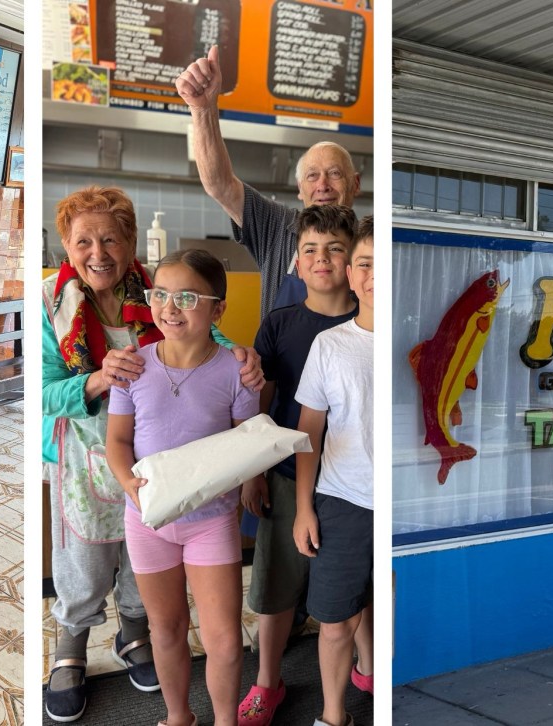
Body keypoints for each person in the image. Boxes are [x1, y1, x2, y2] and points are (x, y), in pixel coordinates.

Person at [42, 186, 263, 723]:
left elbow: (195, 325)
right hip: (87, 454)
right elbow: (42, 392)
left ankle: (134, 637)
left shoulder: (154, 289)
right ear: (65, 245)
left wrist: (237, 350)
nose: (98, 252)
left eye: (110, 240)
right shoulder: (51, 301)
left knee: (146, 591)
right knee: (86, 564)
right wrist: (94, 380)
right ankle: (69, 650)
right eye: (83, 241)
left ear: (131, 242)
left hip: (178, 480)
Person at [107, 249, 258, 726]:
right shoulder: (133, 366)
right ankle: (178, 717)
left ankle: (225, 721)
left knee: (225, 640)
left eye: (187, 297)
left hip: (210, 522)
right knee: (166, 629)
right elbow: (117, 439)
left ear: (218, 309)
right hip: (147, 520)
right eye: (161, 294)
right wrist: (128, 482)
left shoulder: (238, 371)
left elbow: (248, 444)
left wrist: (251, 487)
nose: (170, 307)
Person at [237, 205, 360, 725]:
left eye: (334, 248)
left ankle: (364, 669)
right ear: (296, 261)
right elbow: (260, 402)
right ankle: (268, 681)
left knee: (356, 589)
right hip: (290, 475)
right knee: (276, 585)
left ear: (354, 259)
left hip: (356, 480)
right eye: (310, 249)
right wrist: (253, 470)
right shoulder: (281, 323)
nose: (322, 258)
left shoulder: (369, 317)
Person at [175, 45, 362, 317]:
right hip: (278, 361)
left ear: (355, 184)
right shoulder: (276, 226)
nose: (322, 185)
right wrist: (203, 109)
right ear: (300, 189)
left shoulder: (369, 243)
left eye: (334, 174)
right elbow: (220, 185)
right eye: (312, 176)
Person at [293, 216, 374, 726]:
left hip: (400, 503)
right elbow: (309, 431)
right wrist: (304, 507)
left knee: (386, 614)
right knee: (335, 621)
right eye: (365, 263)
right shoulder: (330, 345)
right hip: (342, 501)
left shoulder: (418, 340)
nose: (373, 275)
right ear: (348, 270)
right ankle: (333, 715)